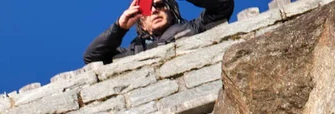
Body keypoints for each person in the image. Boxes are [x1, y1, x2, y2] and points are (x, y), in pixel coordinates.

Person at [85, 0, 231, 63]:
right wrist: (120, 26)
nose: (154, 10)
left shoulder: (194, 28)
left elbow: (223, 5)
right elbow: (92, 56)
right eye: (148, 9)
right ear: (141, 23)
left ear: (172, 12)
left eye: (160, 5)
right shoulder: (131, 51)